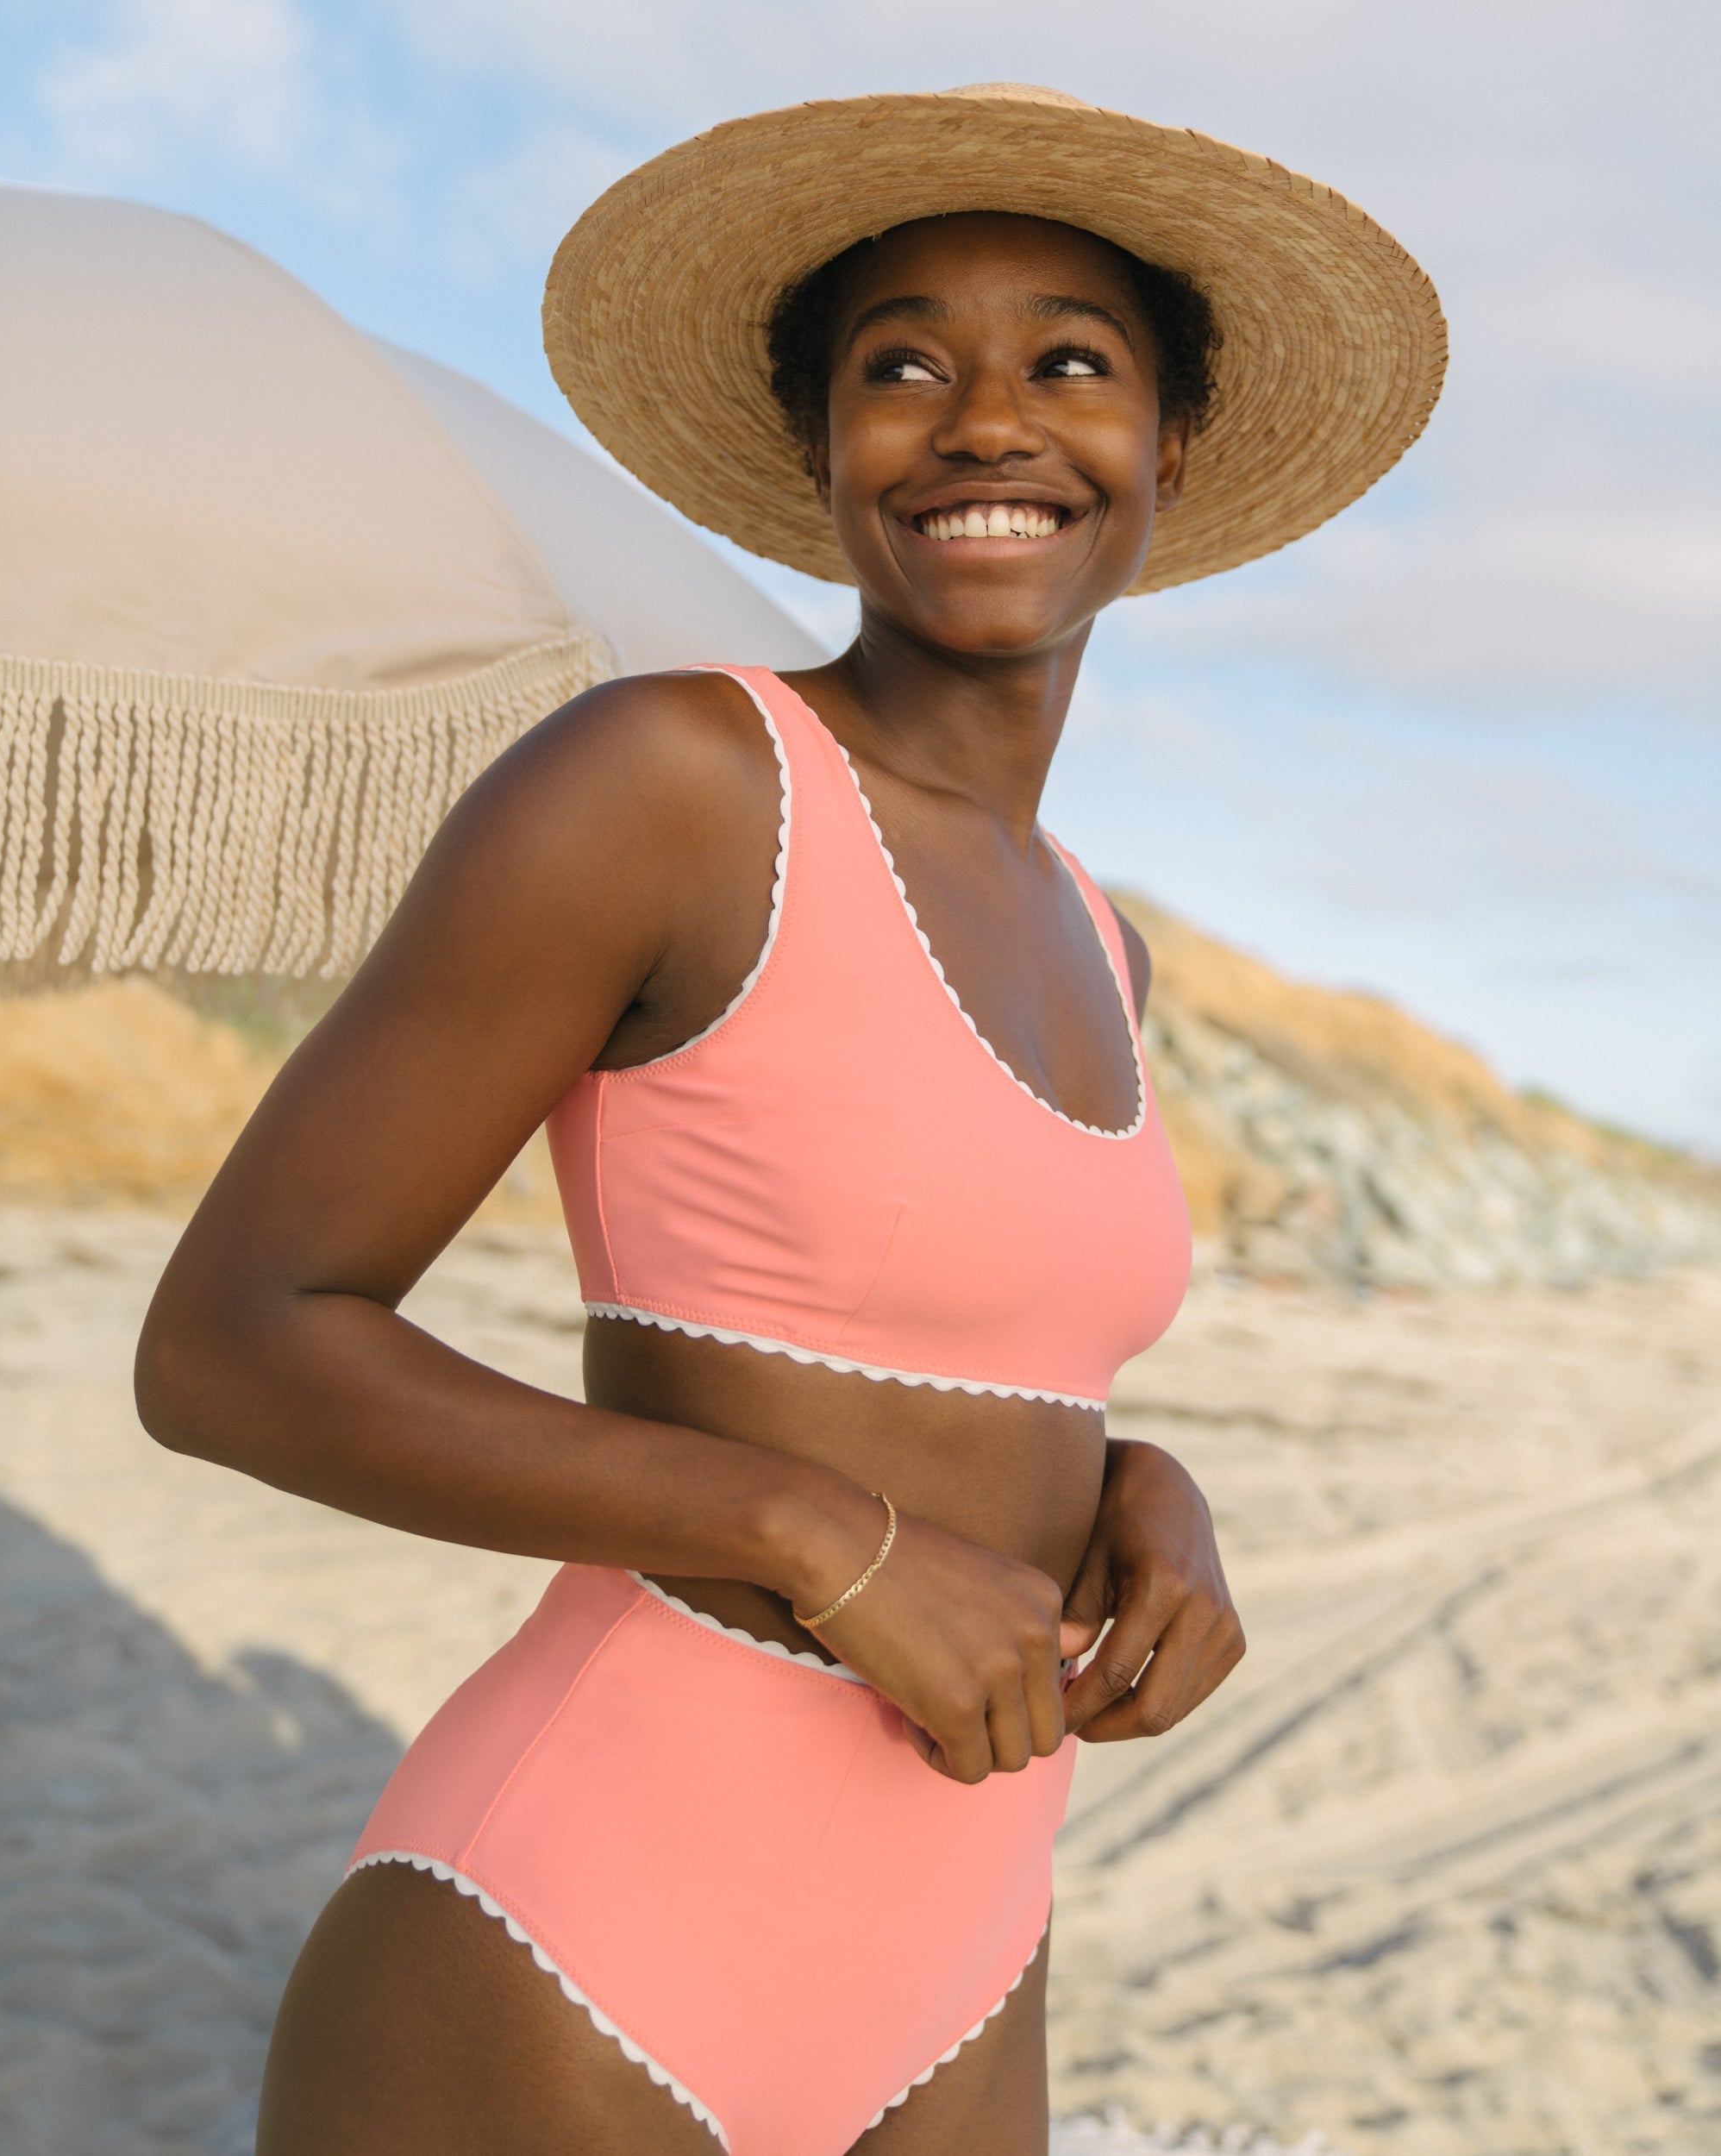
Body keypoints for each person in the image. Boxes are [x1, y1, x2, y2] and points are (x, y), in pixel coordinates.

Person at [137, 84, 1442, 2156]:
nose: (986, 419)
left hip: (961, 1944)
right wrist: (811, 1535)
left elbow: (956, 1363)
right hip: (583, 1929)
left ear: (1164, 454)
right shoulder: (672, 784)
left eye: (1069, 365)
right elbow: (233, 1340)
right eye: (901, 365)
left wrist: (1143, 1489)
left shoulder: (1099, 934)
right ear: (825, 454)